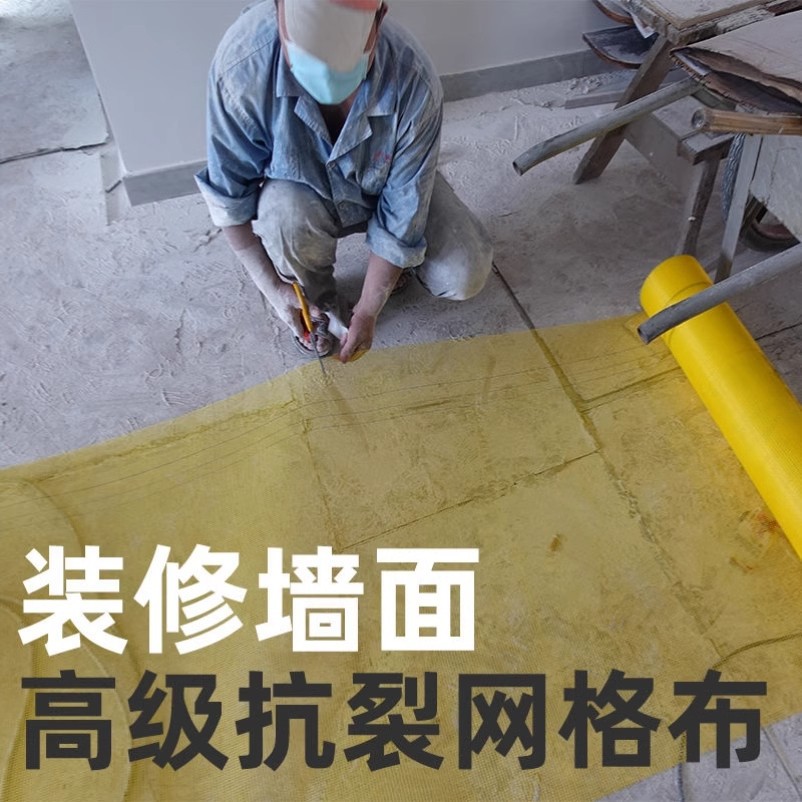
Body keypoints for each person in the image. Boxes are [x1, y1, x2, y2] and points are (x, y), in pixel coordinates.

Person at [196, 0, 493, 363]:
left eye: (341, 60)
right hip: (301, 197)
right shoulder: (242, 67)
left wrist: (368, 308)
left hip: (385, 183)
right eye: (308, 56)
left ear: (379, 20)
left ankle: (395, 263)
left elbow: (403, 213)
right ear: (277, 9)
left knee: (463, 272)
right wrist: (274, 289)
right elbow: (228, 200)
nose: (323, 76)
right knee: (282, 215)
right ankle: (317, 303)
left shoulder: (413, 79)